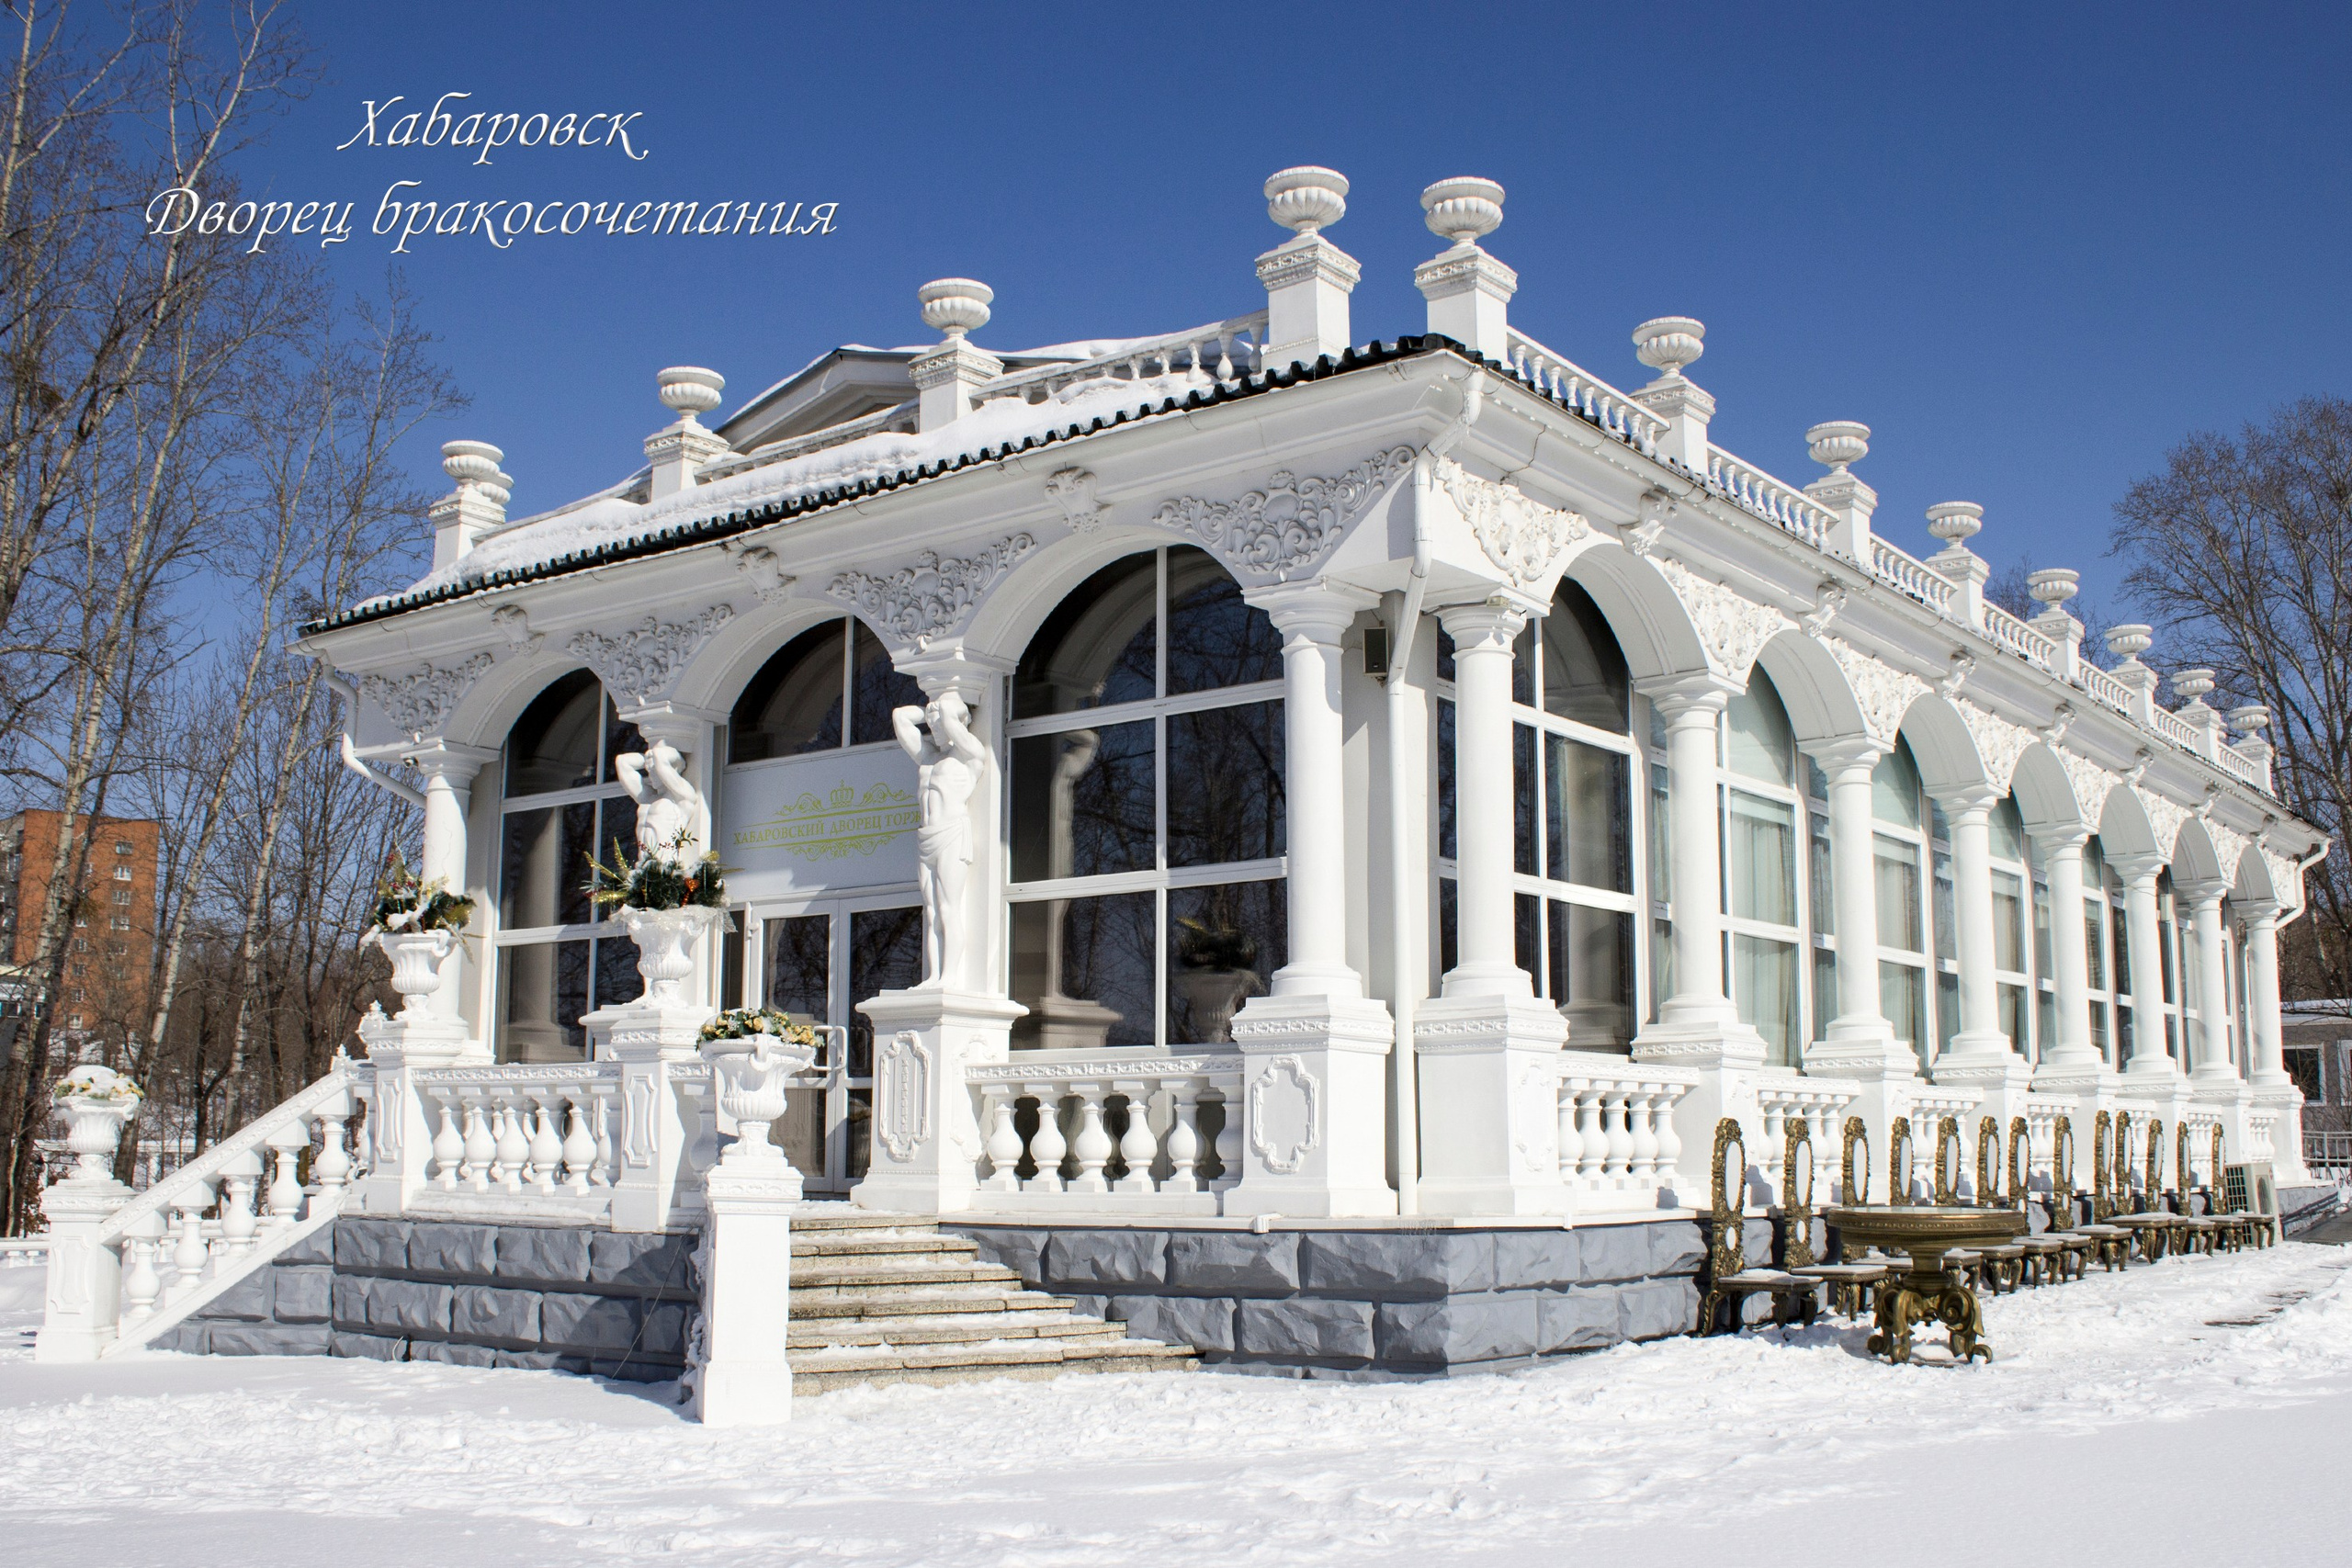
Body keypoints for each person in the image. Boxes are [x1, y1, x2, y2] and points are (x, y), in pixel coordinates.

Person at [893, 692, 985, 986]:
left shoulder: (969, 753)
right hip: (926, 836)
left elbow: (952, 718)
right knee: (931, 910)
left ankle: (950, 977)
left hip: (951, 834)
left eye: (940, 723)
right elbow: (900, 717)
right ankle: (934, 976)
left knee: (948, 906)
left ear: (958, 720)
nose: (935, 729)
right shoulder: (929, 756)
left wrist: (945, 709)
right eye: (932, 725)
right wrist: (929, 711)